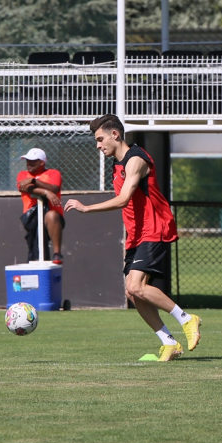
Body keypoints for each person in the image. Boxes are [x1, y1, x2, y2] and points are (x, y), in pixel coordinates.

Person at [64, 114, 201, 362]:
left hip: (154, 228)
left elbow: (124, 199)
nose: (98, 145)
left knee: (136, 286)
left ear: (115, 135)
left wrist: (86, 208)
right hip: (136, 235)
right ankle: (169, 342)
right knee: (132, 293)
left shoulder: (135, 160)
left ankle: (187, 319)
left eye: (100, 139)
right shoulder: (117, 164)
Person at [16, 148, 64, 264]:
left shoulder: (53, 173)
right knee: (36, 253)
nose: (28, 163)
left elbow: (54, 188)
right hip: (30, 216)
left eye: (32, 161)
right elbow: (23, 187)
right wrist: (46, 192)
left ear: (42, 162)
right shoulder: (22, 174)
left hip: (53, 218)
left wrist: (33, 181)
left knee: (51, 215)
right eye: (27, 160)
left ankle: (57, 254)